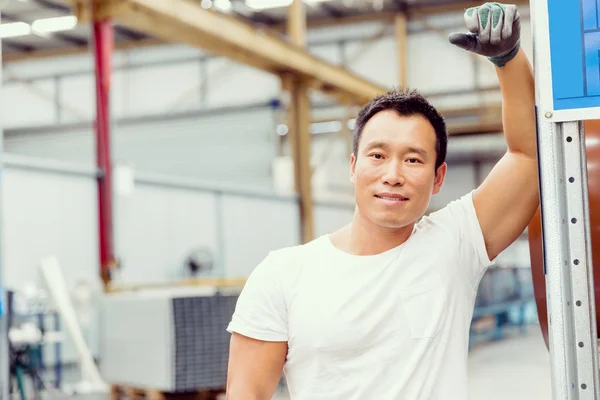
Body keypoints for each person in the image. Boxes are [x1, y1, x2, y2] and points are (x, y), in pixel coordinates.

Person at [225, 2, 537, 399]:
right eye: (377, 155)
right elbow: (246, 394)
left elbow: (527, 158)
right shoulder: (282, 275)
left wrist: (509, 60)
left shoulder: (455, 243)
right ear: (353, 166)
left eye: (413, 159)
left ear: (438, 177)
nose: (393, 174)